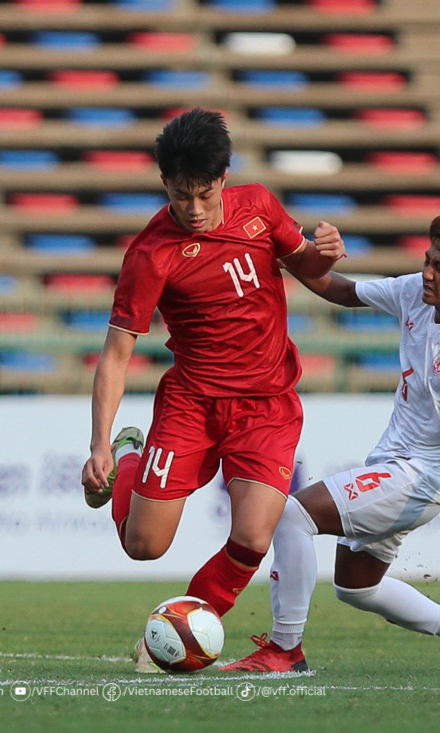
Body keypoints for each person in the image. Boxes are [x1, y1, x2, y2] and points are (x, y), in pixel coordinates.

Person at [79, 108, 347, 668]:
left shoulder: (261, 208)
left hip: (266, 406)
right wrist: (100, 443)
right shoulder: (150, 254)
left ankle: (176, 639)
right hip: (192, 406)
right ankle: (130, 456)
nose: (195, 209)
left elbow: (317, 276)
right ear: (164, 184)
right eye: (181, 196)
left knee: (252, 538)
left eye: (204, 194)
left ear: (224, 178)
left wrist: (341, 262)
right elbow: (117, 354)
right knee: (144, 546)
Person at [220, 203, 440, 674]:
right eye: (427, 260)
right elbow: (341, 290)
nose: (427, 273)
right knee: (357, 587)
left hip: (418, 480)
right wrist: (287, 253)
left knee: (292, 515)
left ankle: (285, 649)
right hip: (389, 464)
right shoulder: (416, 293)